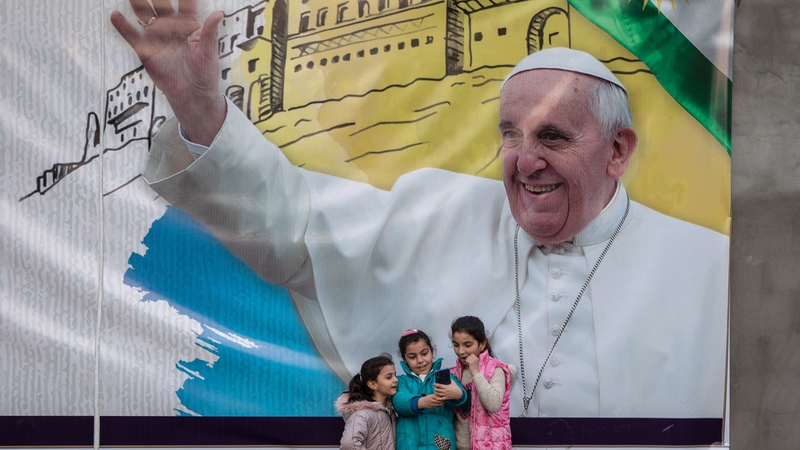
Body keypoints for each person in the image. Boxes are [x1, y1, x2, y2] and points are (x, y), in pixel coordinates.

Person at [112, 0, 729, 418]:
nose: (525, 161)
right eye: (510, 136)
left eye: (552, 137)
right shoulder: (441, 212)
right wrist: (201, 110)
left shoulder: (713, 273)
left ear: (618, 151)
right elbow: (298, 226)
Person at [394, 330, 467, 450]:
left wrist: (457, 394)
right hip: (409, 445)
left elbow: (462, 396)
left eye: (424, 353)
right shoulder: (401, 381)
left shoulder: (446, 377)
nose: (420, 360)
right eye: (412, 357)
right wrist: (421, 402)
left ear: (432, 351)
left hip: (440, 444)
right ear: (404, 359)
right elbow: (398, 401)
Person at [449, 316, 512, 450]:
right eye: (456, 345)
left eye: (467, 345)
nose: (461, 351)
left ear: (482, 344)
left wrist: (476, 373)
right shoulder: (453, 373)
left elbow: (493, 405)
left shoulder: (495, 370)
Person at [336, 354, 398, 450]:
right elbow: (348, 444)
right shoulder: (362, 413)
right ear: (373, 384)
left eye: (395, 375)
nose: (396, 380)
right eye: (389, 377)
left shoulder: (389, 410)